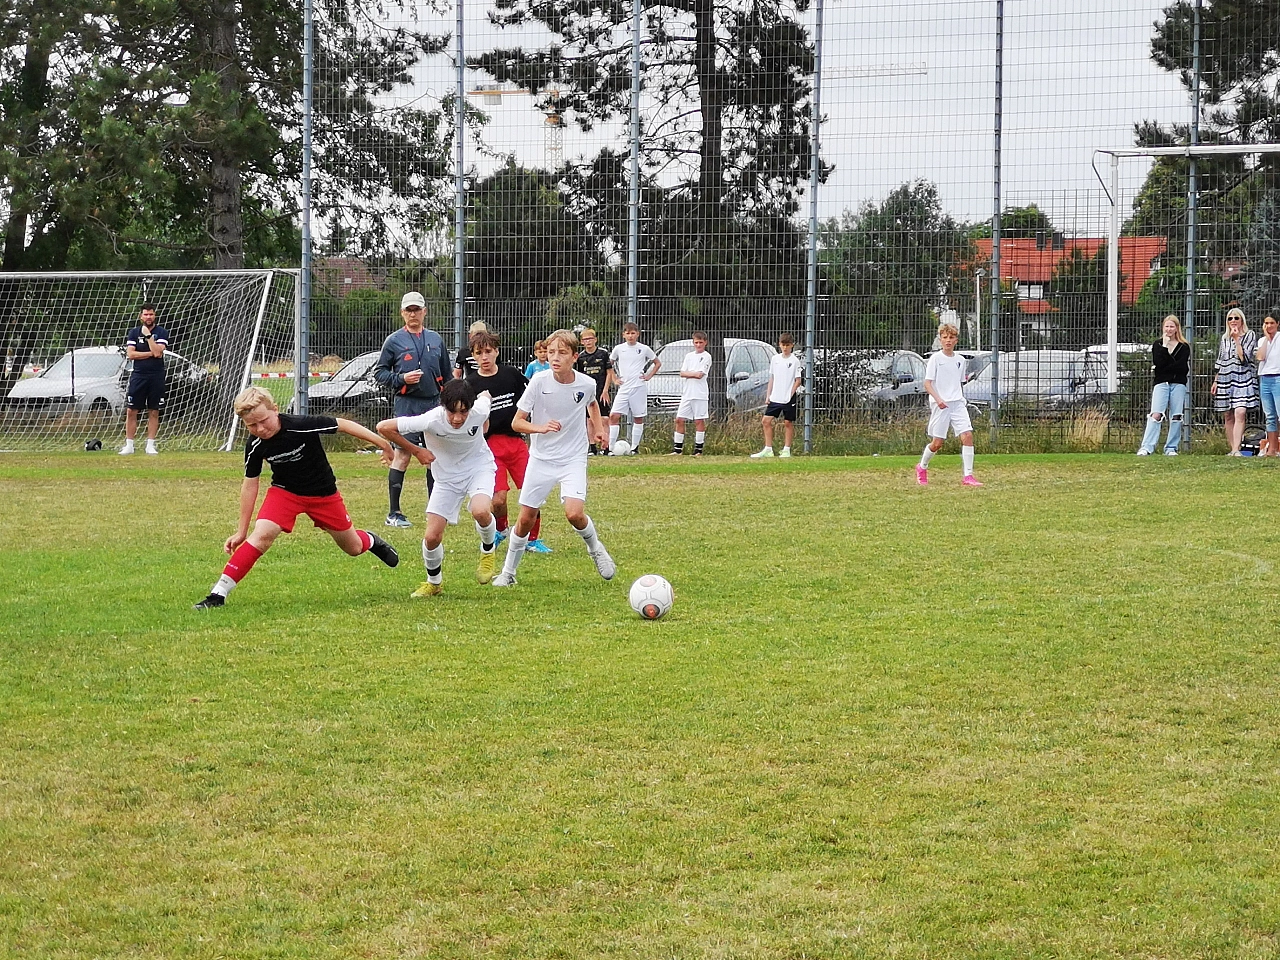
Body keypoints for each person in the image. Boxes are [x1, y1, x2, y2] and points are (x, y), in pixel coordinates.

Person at [193, 387, 400, 609]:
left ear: (275, 409)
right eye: (252, 425)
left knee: (353, 548)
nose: (260, 429)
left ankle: (370, 540)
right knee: (262, 535)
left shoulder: (301, 425)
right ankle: (218, 594)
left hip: (323, 494)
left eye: (263, 421)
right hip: (285, 493)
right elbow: (250, 484)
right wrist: (241, 531)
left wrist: (384, 444)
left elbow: (343, 424)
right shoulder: (255, 445)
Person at [491, 328, 614, 587]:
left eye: (562, 352)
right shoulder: (538, 382)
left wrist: (599, 430)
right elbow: (517, 422)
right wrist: (541, 428)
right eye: (551, 352)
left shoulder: (586, 383)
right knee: (526, 518)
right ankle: (508, 573)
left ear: (575, 357)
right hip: (541, 459)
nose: (555, 357)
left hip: (573, 458)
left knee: (574, 514)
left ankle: (596, 549)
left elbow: (591, 403)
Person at [376, 379, 499, 596]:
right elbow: (383, 427)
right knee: (432, 537)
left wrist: (484, 419)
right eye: (452, 412)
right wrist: (417, 451)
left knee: (480, 511)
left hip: (479, 468)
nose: (457, 418)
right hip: (446, 479)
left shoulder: (479, 410)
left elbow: (486, 396)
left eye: (463, 412)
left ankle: (488, 550)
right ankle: (434, 583)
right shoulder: (431, 419)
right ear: (443, 406)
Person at [465, 330, 552, 554]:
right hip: (490, 447)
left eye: (488, 351)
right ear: (473, 356)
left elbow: (532, 397)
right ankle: (501, 530)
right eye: (478, 353)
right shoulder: (470, 384)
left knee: (532, 493)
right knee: (497, 499)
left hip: (516, 443)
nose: (484, 357)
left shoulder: (511, 375)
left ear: (496, 351)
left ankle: (532, 540)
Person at [373, 292, 452, 526]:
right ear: (402, 313)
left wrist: (449, 403)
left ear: (424, 311)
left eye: (417, 309)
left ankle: (436, 510)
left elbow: (447, 375)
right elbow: (380, 373)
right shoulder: (394, 341)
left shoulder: (436, 339)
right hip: (407, 404)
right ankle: (394, 513)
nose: (413, 314)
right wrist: (401, 379)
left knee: (434, 457)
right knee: (403, 455)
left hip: (433, 404)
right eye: (409, 310)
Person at [916, 322, 982, 487]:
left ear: (956, 340)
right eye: (945, 337)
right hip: (941, 405)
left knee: (967, 436)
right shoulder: (935, 359)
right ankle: (922, 467)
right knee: (937, 443)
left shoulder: (960, 360)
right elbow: (927, 383)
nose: (948, 340)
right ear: (940, 339)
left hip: (957, 404)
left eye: (951, 337)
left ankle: (968, 476)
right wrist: (939, 400)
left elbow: (959, 381)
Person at [1137, 314, 1191, 457]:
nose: (1169, 329)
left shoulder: (1184, 347)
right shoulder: (1158, 345)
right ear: (1163, 327)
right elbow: (1159, 363)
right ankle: (1147, 447)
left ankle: (1171, 448)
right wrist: (1165, 347)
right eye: (1167, 326)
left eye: (1172, 326)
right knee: (1156, 414)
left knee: (1176, 416)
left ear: (1177, 328)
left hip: (1178, 384)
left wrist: (1166, 365)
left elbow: (1181, 367)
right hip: (1161, 383)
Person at [120, 304, 168, 455]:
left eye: (151, 314)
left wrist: (148, 337)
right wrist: (151, 353)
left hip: (156, 376)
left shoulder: (162, 332)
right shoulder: (134, 333)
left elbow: (158, 353)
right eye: (146, 314)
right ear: (141, 316)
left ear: (155, 315)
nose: (148, 317)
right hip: (139, 375)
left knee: (154, 410)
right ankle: (129, 445)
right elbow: (131, 354)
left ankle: (150, 445)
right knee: (131, 410)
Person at [1210, 306, 1259, 456]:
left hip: (1243, 377)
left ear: (1241, 320)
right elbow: (1220, 360)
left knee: (1240, 411)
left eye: (1236, 318)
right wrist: (1216, 381)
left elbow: (1245, 358)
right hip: (1226, 378)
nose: (1233, 320)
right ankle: (1232, 449)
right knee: (1228, 414)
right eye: (1230, 318)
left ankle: (1237, 448)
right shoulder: (1224, 338)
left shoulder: (1250, 335)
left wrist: (1237, 339)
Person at [607, 321, 660, 454]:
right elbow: (609, 364)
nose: (630, 336)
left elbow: (657, 363)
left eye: (633, 333)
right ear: (623, 335)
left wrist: (648, 376)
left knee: (638, 417)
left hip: (638, 387)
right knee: (614, 416)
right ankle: (610, 448)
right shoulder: (619, 349)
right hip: (624, 388)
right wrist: (614, 378)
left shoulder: (644, 349)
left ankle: (634, 448)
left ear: (637, 334)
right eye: (628, 333)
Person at [750, 333, 803, 458]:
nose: (785, 348)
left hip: (788, 398)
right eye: (783, 345)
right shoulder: (775, 359)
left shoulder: (794, 361)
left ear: (792, 345)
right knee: (766, 421)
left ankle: (786, 449)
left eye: (787, 345)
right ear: (779, 345)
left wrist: (790, 394)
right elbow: (772, 378)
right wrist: (768, 395)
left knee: (788, 422)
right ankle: (768, 449)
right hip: (775, 397)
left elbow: (798, 380)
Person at [669, 331, 712, 456]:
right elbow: (682, 373)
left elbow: (700, 375)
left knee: (699, 420)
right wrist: (692, 373)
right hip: (687, 393)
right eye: (696, 342)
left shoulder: (707, 356)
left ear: (705, 343)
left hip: (700, 394)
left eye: (700, 342)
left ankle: (698, 450)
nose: (698, 345)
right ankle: (677, 450)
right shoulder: (689, 356)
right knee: (679, 419)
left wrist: (690, 373)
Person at [575, 327, 612, 455]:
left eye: (590, 339)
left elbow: (609, 372)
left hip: (601, 391)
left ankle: (606, 447)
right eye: (585, 339)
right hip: (588, 393)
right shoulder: (581, 357)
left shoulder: (603, 354)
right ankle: (592, 448)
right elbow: (579, 376)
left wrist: (606, 390)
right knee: (589, 420)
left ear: (595, 339)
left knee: (605, 419)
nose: (588, 341)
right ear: (581, 342)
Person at [1256, 314, 1280, 457]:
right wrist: (1266, 338)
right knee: (1270, 416)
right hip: (1265, 379)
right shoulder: (1261, 341)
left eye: (1271, 323)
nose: (1269, 326)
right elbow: (1260, 357)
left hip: (1278, 378)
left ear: (1277, 324)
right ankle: (1272, 449)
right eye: (1266, 323)